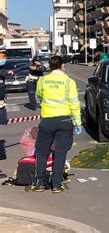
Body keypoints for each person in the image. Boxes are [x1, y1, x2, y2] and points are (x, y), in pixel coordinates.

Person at [25, 56, 82, 193]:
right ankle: (56, 184)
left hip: (48, 120)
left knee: (42, 152)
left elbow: (39, 95)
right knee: (61, 153)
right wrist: (78, 122)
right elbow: (74, 103)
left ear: (50, 66)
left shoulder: (43, 80)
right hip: (65, 120)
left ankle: (39, 183)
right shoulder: (69, 81)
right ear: (62, 66)